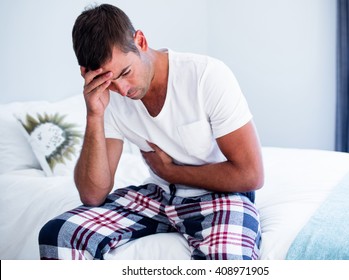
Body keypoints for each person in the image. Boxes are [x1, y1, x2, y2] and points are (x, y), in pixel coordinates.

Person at [39, 3, 264, 260]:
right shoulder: (107, 98)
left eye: (126, 73)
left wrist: (171, 172)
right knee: (59, 234)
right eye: (110, 82)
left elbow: (251, 175)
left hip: (220, 197)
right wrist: (94, 115)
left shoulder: (205, 76)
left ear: (141, 41)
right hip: (158, 196)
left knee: (229, 262)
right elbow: (92, 195)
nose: (123, 90)